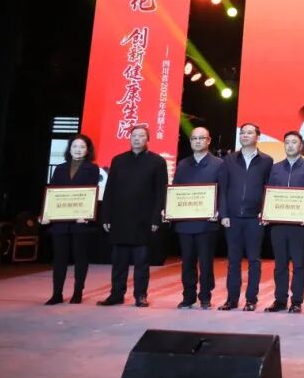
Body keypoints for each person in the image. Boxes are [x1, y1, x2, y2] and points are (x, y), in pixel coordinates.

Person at [97, 126, 167, 307]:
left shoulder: (157, 161)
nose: (137, 139)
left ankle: (140, 295)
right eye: (134, 136)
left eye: (141, 136)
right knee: (118, 262)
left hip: (144, 220)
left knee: (141, 262)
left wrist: (156, 218)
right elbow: (109, 191)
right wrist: (106, 216)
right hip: (120, 219)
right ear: (130, 138)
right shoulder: (118, 160)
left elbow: (161, 193)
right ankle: (116, 295)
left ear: (148, 139)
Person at [217, 122, 273, 311]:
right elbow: (223, 188)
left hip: (255, 218)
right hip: (232, 218)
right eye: (242, 133)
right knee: (233, 261)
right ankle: (231, 300)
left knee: (254, 260)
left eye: (249, 133)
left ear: (258, 137)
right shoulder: (229, 159)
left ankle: (251, 299)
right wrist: (224, 214)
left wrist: (265, 211)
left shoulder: (267, 161)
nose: (245, 135)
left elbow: (269, 189)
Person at [264, 131, 304, 313]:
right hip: (278, 225)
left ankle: (296, 301)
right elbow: (269, 193)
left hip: (300, 226)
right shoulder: (275, 168)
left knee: (299, 264)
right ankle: (280, 300)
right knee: (280, 265)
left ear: (301, 145)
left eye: (294, 142)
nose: (290, 145)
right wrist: (266, 211)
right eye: (287, 142)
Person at [41, 134, 100, 305]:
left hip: (80, 221)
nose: (78, 150)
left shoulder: (92, 168)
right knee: (59, 259)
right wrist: (47, 214)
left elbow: (91, 193)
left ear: (87, 150)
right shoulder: (60, 168)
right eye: (75, 146)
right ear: (70, 149)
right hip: (60, 222)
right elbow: (52, 193)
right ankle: (56, 293)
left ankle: (77, 293)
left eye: (82, 147)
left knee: (80, 258)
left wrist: (87, 215)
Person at [170, 127, 223, 309]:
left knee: (206, 263)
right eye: (194, 138)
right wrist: (170, 209)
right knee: (187, 262)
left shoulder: (219, 164)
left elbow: (223, 191)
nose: (197, 141)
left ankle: (205, 296)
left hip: (207, 223)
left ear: (208, 141)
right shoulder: (183, 164)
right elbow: (175, 190)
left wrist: (219, 211)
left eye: (201, 138)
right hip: (185, 222)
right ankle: (188, 296)